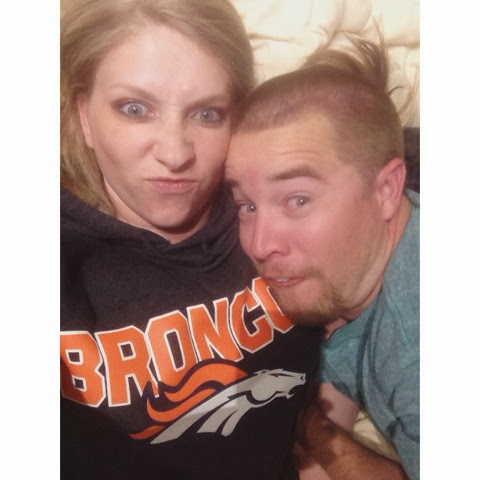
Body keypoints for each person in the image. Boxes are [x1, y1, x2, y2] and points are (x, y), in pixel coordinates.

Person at [60, 1, 322, 478]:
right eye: (135, 109)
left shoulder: (271, 207)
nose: (176, 153)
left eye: (207, 113)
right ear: (85, 117)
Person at [225, 39, 419, 480]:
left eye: (297, 199)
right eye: (246, 205)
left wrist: (317, 432)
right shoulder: (351, 276)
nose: (260, 245)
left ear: (386, 190)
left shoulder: (419, 347)